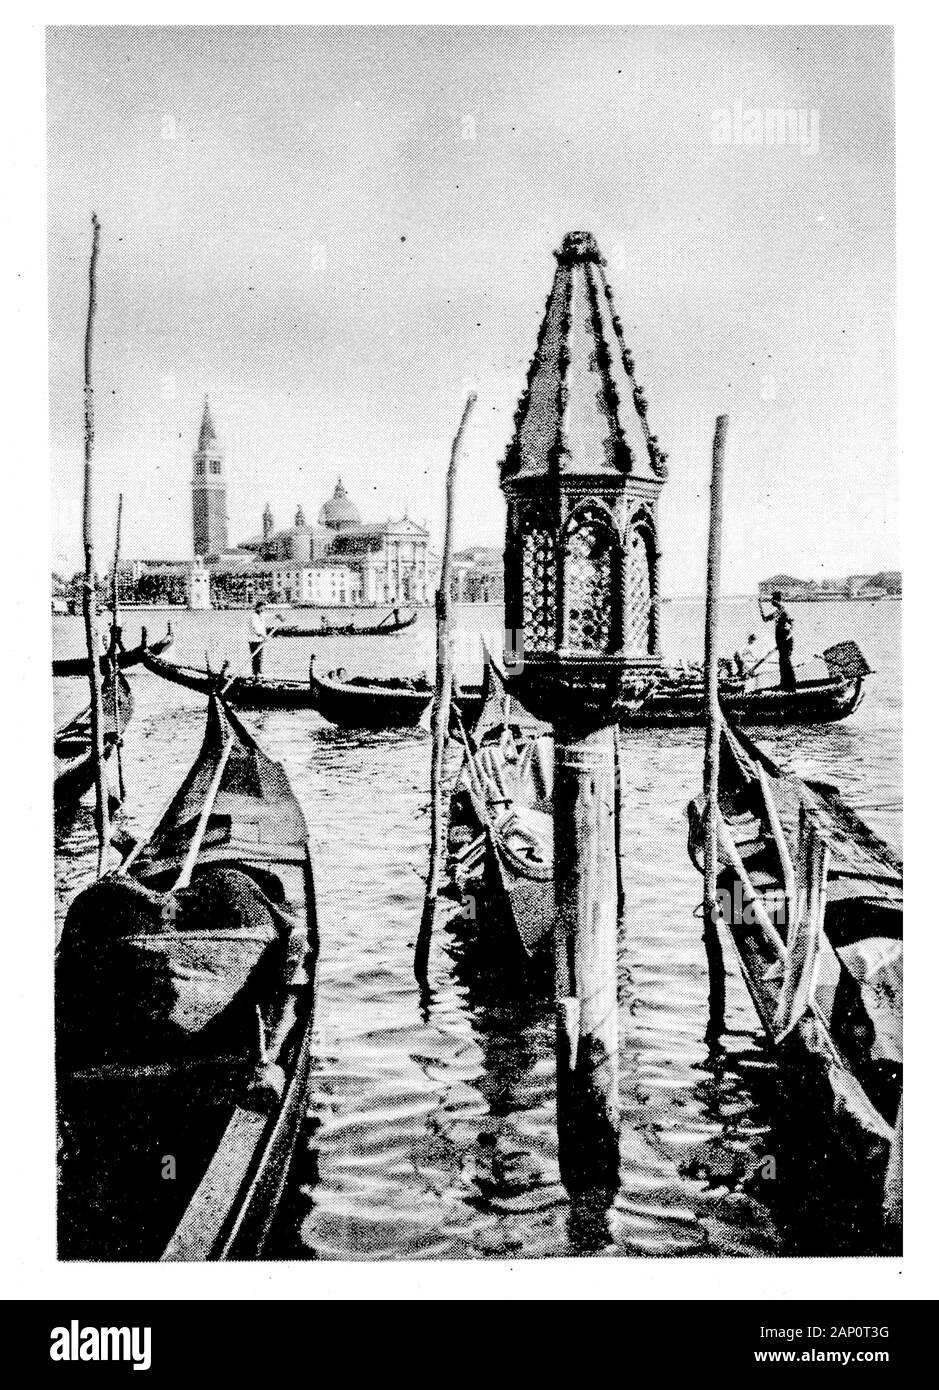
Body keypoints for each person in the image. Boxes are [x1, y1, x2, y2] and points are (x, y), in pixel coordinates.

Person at [759, 590, 796, 690]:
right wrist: (760, 606)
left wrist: (788, 634)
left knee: (786, 661)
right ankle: (784, 683)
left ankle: (791, 685)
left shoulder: (784, 610)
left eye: (773, 599)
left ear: (778, 600)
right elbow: (765, 619)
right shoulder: (777, 612)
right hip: (780, 640)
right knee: (782, 661)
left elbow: (791, 623)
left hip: (786, 640)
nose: (772, 601)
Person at [247, 600, 268, 676]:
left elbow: (269, 615)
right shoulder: (253, 616)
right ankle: (255, 674)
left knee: (260, 657)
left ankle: (259, 672)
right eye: (262, 608)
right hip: (253, 640)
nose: (264, 609)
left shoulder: (262, 615)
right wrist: (264, 636)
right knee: (255, 658)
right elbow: (255, 629)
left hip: (260, 640)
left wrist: (277, 616)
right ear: (258, 607)